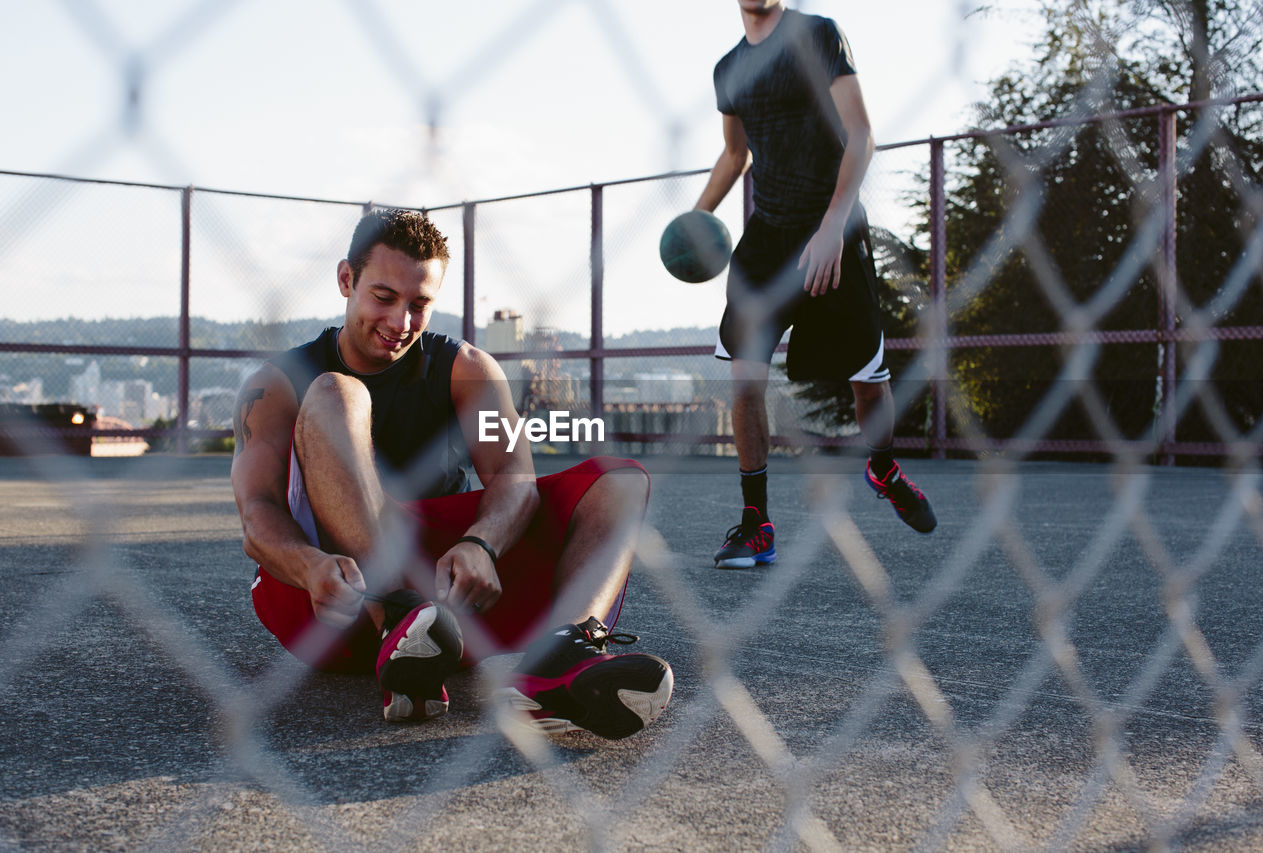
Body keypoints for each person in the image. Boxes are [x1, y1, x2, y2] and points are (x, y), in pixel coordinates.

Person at [230, 208, 672, 740]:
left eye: (419, 305)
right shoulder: (278, 384)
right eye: (384, 298)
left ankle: (558, 663)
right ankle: (398, 615)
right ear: (347, 280)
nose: (401, 323)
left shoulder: (467, 372)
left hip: (451, 601)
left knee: (620, 480)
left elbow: (514, 473)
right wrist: (307, 566)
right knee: (334, 393)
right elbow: (257, 512)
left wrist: (482, 544)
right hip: (330, 591)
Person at [693, 0, 937, 569]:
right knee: (745, 381)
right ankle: (757, 524)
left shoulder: (819, 36)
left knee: (867, 382)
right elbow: (736, 154)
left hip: (833, 228)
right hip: (768, 238)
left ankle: (882, 467)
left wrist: (831, 228)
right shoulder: (728, 69)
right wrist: (696, 219)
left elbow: (861, 135)